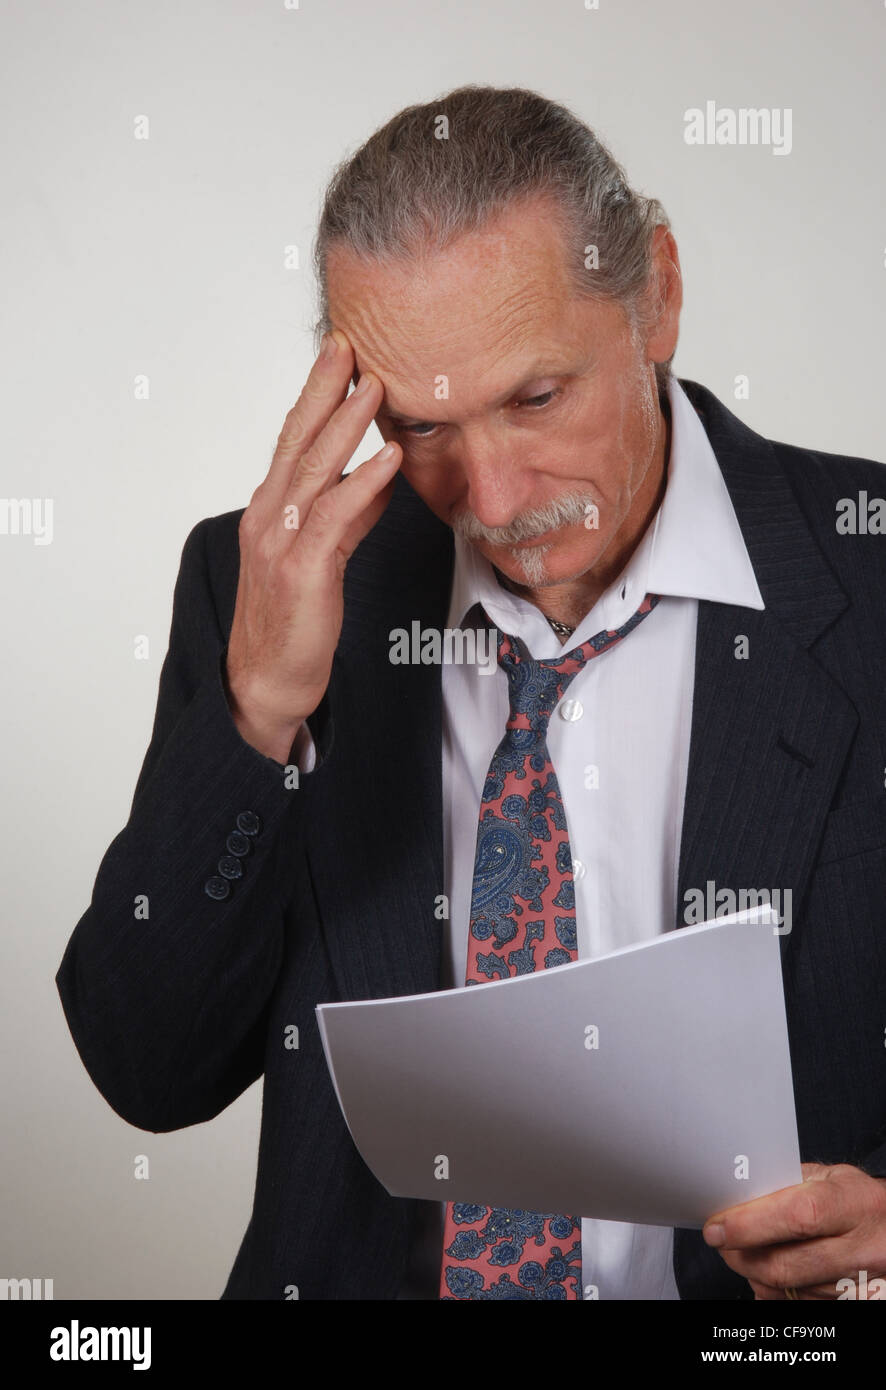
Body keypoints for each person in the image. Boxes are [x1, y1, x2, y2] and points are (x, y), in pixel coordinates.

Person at [56, 85, 886, 1301]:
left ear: (655, 292)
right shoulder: (260, 585)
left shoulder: (864, 572)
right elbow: (149, 1069)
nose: (495, 503)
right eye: (420, 424)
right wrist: (255, 714)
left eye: (536, 398)